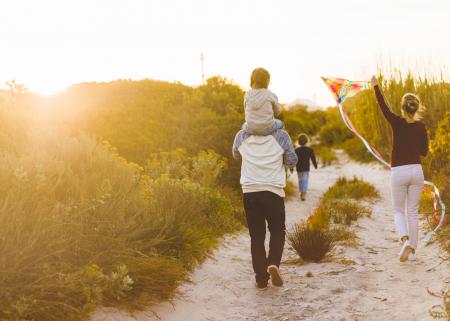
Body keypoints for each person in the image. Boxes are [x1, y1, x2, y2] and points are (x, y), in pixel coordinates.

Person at [371, 75, 428, 262]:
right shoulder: (421, 127)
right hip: (416, 171)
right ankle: (412, 251)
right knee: (412, 211)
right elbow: (424, 152)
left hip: (399, 171)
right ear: (417, 108)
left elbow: (383, 107)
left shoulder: (396, 122)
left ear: (403, 108)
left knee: (398, 211)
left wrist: (376, 86)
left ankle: (405, 240)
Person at [232, 126, 298, 288]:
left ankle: (261, 279)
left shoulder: (241, 135)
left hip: (250, 192)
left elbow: (235, 155)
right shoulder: (281, 135)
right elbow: (292, 160)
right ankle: (273, 262)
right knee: (277, 231)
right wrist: (277, 157)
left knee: (257, 237)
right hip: (273, 192)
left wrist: (253, 157)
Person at [243, 67, 283, 135]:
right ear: (267, 80)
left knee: (243, 126)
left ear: (253, 79)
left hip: (250, 129)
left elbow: (246, 110)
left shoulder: (247, 94)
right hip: (267, 129)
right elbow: (277, 112)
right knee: (281, 123)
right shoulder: (269, 94)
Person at [294, 134, 317, 201]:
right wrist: (315, 165)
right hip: (306, 168)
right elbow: (313, 158)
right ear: (306, 141)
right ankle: (303, 193)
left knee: (300, 180)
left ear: (298, 141)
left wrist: (291, 168)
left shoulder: (296, 150)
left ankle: (302, 192)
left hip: (299, 168)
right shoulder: (310, 150)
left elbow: (294, 160)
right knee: (305, 180)